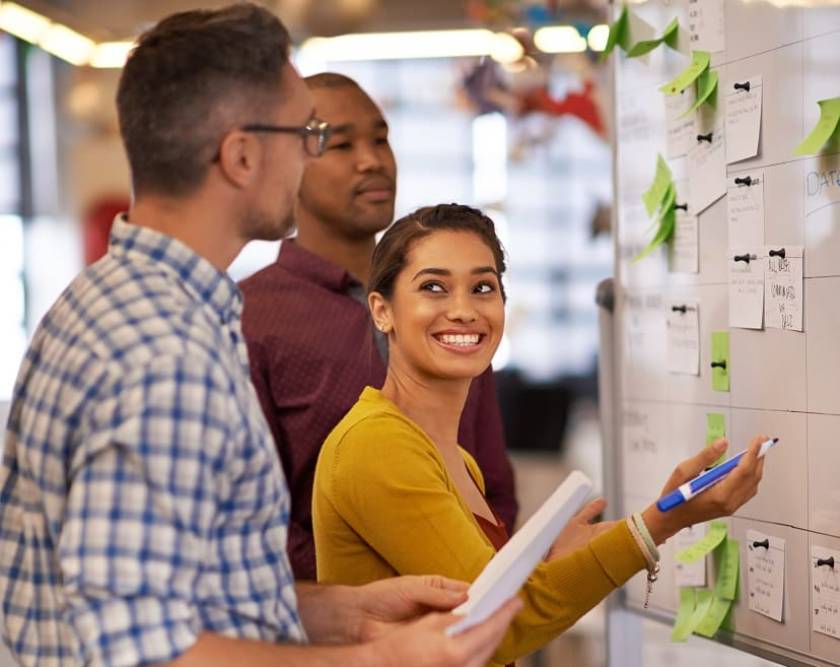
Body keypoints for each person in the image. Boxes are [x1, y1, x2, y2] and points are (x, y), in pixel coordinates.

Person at [0, 8, 521, 667]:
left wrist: (345, 612)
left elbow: (188, 596)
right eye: (307, 132)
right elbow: (138, 650)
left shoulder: (119, 303)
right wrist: (379, 660)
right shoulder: (164, 354)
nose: (313, 153)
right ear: (242, 154)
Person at [312, 203, 767, 666]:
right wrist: (660, 524)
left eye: (483, 287)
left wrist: (547, 561)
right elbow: (496, 625)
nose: (464, 310)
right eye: (434, 287)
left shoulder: (453, 456)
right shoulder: (377, 444)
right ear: (382, 310)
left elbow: (482, 591)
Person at [240, 72, 517, 580]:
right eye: (341, 143)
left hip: (471, 621)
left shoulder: (446, 311)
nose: (372, 160)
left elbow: (491, 480)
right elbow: (255, 519)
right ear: (285, 166)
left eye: (381, 139)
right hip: (333, 637)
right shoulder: (250, 317)